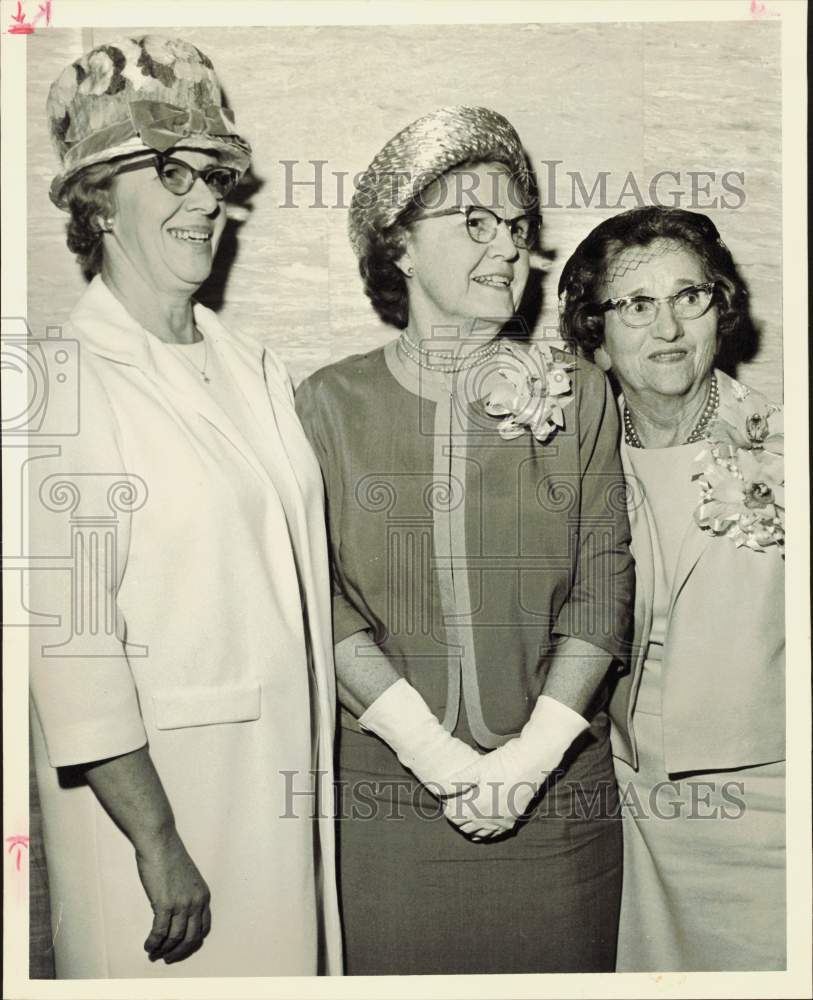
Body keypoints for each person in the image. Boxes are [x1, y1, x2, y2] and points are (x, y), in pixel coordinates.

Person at [295, 106, 634, 975]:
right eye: (473, 222)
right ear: (397, 245)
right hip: (391, 805)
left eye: (517, 227)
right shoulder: (327, 405)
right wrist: (436, 755)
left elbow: (603, 584)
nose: (508, 249)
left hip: (557, 801)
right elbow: (315, 594)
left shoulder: (581, 392)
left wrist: (527, 761)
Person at [29, 35, 341, 977]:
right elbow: (71, 646)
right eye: (171, 173)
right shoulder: (64, 383)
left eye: (214, 175)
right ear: (99, 200)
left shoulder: (250, 367)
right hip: (165, 825)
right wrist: (158, 840)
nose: (207, 200)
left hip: (277, 786)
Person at [559, 206, 786, 972]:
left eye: (688, 297)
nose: (667, 328)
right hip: (632, 820)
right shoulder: (567, 463)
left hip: (770, 815)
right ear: (594, 334)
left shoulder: (786, 447)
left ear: (720, 310)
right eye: (635, 304)